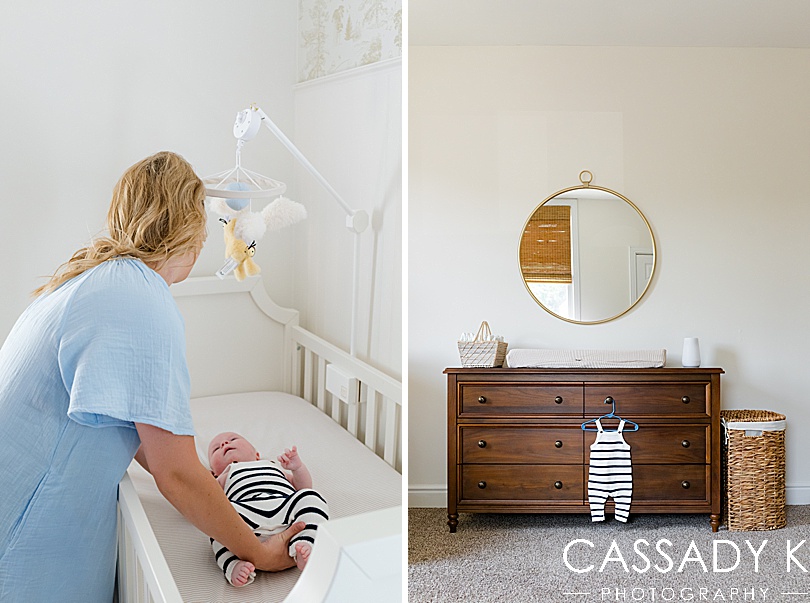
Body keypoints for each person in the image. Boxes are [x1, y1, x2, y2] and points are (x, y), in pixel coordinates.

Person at [0, 151, 304, 602]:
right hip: (28, 542)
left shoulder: (93, 279)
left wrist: (207, 483)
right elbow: (174, 472)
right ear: (190, 231)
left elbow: (135, 421)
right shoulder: (139, 297)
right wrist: (257, 550)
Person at [207, 432, 330, 586]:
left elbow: (302, 486)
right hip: (246, 519)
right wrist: (206, 482)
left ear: (257, 455)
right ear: (213, 473)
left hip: (284, 510)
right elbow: (208, 501)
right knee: (215, 522)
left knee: (310, 496)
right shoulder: (224, 476)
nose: (224, 444)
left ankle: (304, 542)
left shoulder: (271, 465)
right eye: (216, 449)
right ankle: (232, 565)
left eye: (233, 439)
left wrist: (297, 468)